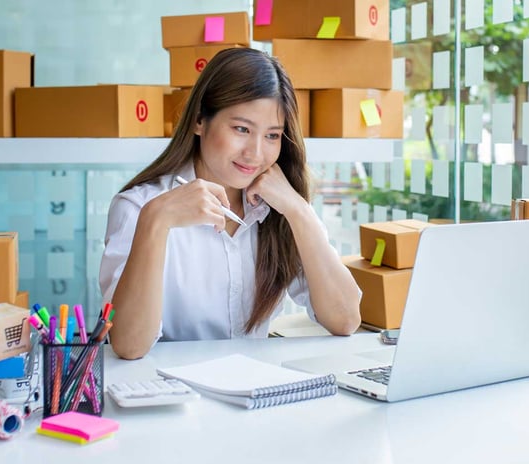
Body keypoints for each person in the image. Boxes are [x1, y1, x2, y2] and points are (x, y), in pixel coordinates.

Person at [100, 47, 361, 360]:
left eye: (272, 136)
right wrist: (155, 220)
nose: (255, 152)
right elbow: (128, 345)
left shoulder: (279, 207)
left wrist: (299, 211)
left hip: (255, 395)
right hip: (171, 396)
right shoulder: (139, 206)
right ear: (199, 120)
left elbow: (345, 320)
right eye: (242, 129)